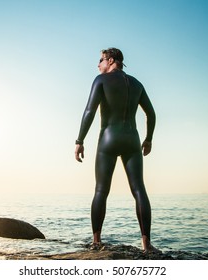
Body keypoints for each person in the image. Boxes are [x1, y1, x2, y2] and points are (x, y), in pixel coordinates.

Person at [74, 48, 158, 253]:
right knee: (139, 189)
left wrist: (79, 140)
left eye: (100, 60)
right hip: (132, 139)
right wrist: (148, 139)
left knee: (101, 190)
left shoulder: (100, 80)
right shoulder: (137, 83)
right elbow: (152, 114)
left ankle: (96, 242)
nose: (98, 64)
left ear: (110, 60)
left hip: (108, 140)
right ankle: (146, 244)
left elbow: (89, 111)